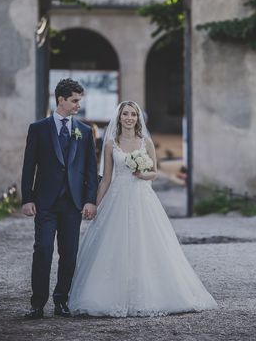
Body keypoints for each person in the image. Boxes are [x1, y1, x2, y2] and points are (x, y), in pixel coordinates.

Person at [68, 101, 217, 316]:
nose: (129, 117)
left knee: (146, 244)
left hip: (141, 197)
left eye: (133, 114)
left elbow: (154, 172)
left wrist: (142, 174)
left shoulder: (145, 142)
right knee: (113, 245)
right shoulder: (111, 144)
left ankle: (152, 293)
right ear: (119, 117)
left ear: (138, 118)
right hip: (117, 199)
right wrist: (94, 204)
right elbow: (106, 179)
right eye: (125, 114)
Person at [20, 79, 98, 319]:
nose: (78, 105)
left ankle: (61, 300)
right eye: (74, 101)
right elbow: (28, 167)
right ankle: (37, 303)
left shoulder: (85, 132)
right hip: (45, 203)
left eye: (79, 101)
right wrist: (27, 198)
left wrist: (90, 200)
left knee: (69, 254)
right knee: (42, 250)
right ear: (61, 99)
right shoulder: (38, 129)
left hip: (73, 204)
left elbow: (91, 170)